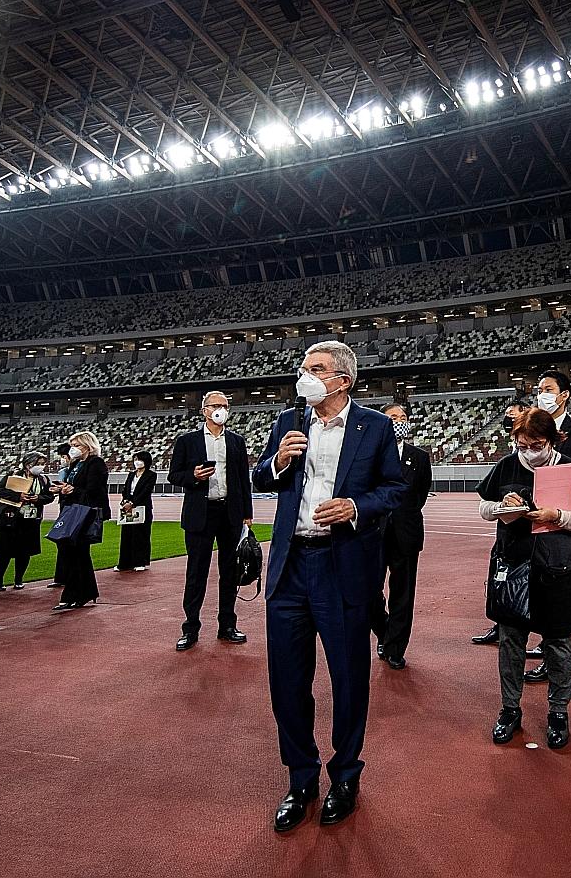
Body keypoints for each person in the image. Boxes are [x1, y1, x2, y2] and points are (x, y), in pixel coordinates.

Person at [254, 341, 406, 832]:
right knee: (287, 681)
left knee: (348, 678)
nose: (305, 375)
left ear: (343, 379)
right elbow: (261, 477)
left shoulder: (375, 427)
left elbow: (396, 488)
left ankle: (345, 776)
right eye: (303, 367)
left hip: (342, 566)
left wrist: (356, 508)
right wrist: (278, 461)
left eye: (315, 368)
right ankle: (301, 778)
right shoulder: (288, 421)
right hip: (290, 566)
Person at [478, 408, 571, 750]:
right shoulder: (506, 465)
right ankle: (509, 710)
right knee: (511, 642)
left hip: (555, 567)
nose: (529, 451)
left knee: (558, 643)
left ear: (552, 440)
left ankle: (558, 712)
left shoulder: (569, 468)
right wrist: (502, 507)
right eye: (522, 445)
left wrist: (556, 515)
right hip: (513, 565)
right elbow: (483, 508)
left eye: (536, 445)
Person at [523, 370, 571, 699]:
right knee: (547, 601)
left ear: (564, 394)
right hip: (538, 533)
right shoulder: (532, 429)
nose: (541, 393)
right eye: (539, 389)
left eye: (548, 388)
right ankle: (552, 661)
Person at [168, 391, 254, 649]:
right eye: (216, 405)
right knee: (196, 573)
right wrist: (193, 476)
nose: (221, 410)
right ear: (204, 410)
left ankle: (227, 625)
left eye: (225, 406)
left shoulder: (237, 441)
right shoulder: (187, 441)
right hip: (200, 513)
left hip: (230, 513)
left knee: (230, 572)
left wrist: (247, 514)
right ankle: (190, 628)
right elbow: (174, 475)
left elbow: (243, 479)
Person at [373, 402, 433, 670]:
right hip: (372, 534)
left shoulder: (419, 457)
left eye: (403, 417)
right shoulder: (370, 453)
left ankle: (395, 648)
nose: (399, 421)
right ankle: (384, 631)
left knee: (403, 594)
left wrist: (402, 515)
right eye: (393, 417)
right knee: (368, 592)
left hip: (406, 534)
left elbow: (420, 495)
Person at [472, 401, 527, 646]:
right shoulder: (507, 461)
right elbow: (486, 501)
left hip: (540, 541)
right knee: (503, 587)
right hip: (508, 538)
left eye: (512, 415)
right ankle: (500, 626)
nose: (508, 419)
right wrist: (500, 507)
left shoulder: (551, 458)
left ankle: (546, 642)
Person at [50, 430, 112, 611]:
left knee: (78, 553)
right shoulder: (76, 464)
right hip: (73, 511)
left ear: (87, 445)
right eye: (72, 445)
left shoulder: (96, 463)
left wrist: (72, 490)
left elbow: (94, 490)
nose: (73, 449)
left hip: (86, 513)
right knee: (73, 553)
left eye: (76, 445)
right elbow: (76, 487)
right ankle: (83, 592)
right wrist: (62, 489)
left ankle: (75, 594)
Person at [0, 452, 55, 590]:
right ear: (28, 464)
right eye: (38, 464)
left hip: (31, 519)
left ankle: (18, 580)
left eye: (43, 464)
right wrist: (18, 496)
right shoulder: (14, 475)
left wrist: (38, 498)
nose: (41, 467)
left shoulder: (43, 479)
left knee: (24, 552)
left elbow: (49, 497)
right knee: (3, 551)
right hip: (9, 519)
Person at [114, 450, 157, 573]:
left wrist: (133, 503)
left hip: (142, 507)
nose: (137, 462)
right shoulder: (131, 474)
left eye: (140, 460)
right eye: (135, 459)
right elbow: (126, 489)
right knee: (126, 535)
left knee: (141, 535)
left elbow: (146, 491)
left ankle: (140, 561)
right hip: (128, 507)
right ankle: (124, 563)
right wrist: (125, 501)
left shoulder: (151, 475)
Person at [46, 443, 73, 590]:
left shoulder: (80, 470)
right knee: (62, 542)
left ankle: (71, 576)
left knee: (70, 543)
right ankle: (61, 577)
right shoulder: (63, 471)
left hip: (74, 509)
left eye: (64, 456)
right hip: (64, 508)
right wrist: (57, 490)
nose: (63, 459)